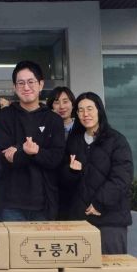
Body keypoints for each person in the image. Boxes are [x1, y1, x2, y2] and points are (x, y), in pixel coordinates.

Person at [62, 92, 134, 254]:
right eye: (81, 110)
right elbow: (63, 179)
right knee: (79, 268)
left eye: (90, 109)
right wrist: (72, 171)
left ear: (99, 110)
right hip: (79, 219)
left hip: (110, 220)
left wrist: (99, 203)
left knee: (110, 267)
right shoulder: (73, 141)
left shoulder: (116, 140)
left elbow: (122, 178)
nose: (85, 114)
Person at [0, 60, 65, 221]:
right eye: (21, 83)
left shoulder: (54, 119)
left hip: (44, 203)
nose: (26, 87)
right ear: (14, 87)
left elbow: (55, 159)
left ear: (41, 84)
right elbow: (3, 158)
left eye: (31, 82)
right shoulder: (4, 116)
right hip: (11, 204)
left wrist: (26, 151)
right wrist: (30, 152)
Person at [47, 86, 77, 220]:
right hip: (52, 188)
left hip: (76, 189)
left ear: (73, 104)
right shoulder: (45, 130)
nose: (62, 106)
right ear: (51, 106)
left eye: (65, 101)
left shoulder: (81, 128)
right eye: (57, 102)